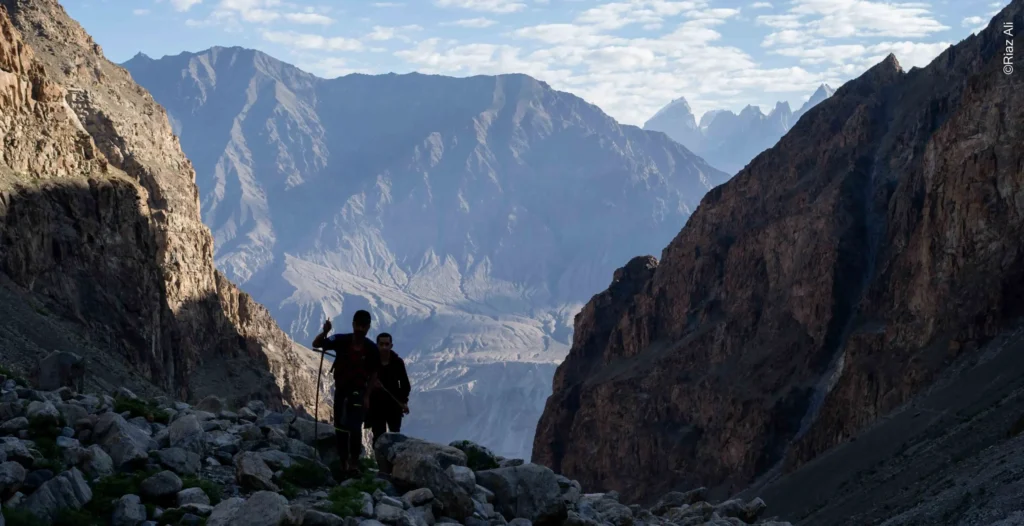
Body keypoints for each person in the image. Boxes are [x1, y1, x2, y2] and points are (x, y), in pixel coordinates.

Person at [312, 310, 380, 477]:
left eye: (363, 327)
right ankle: (343, 463)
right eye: (358, 325)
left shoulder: (371, 349)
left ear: (368, 327)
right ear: (353, 324)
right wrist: (326, 331)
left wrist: (367, 396)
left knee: (355, 429)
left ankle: (354, 464)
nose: (360, 329)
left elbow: (374, 374)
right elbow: (317, 344)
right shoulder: (341, 340)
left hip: (358, 393)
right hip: (342, 391)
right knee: (340, 428)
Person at [364, 332, 411, 444]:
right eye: (381, 344)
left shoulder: (397, 363)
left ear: (391, 345)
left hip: (394, 406)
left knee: (395, 437)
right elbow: (362, 380)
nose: (384, 347)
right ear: (377, 345)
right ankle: (380, 460)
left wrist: (403, 401)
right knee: (378, 437)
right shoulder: (370, 362)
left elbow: (405, 385)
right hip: (376, 406)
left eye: (386, 344)